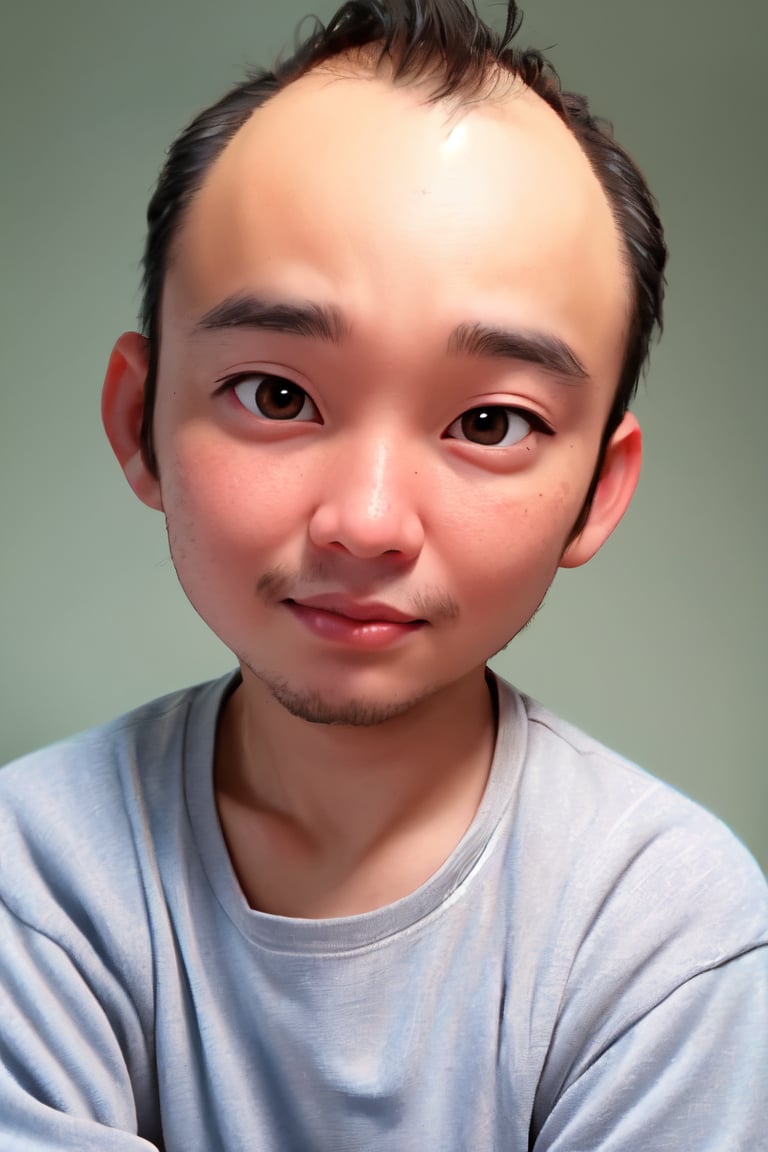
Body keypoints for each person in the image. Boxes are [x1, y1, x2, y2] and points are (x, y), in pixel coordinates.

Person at [1, 0, 766, 1147]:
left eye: (490, 421)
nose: (365, 523)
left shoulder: (668, 932)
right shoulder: (33, 873)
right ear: (138, 419)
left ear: (600, 491)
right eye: (277, 394)